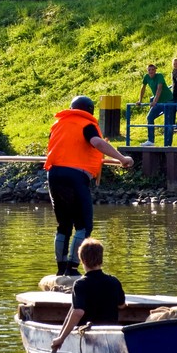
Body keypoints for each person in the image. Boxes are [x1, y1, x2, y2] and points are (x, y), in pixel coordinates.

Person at [44, 96, 134, 276]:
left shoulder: (58, 125)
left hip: (54, 175)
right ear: (90, 111)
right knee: (84, 225)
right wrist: (122, 159)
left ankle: (61, 268)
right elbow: (97, 143)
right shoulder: (87, 124)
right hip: (74, 177)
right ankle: (72, 268)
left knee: (63, 225)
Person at [50, 238, 126, 349]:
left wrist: (61, 338)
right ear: (101, 259)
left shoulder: (80, 284)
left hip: (90, 335)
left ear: (82, 260)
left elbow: (78, 312)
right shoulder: (114, 281)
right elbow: (121, 305)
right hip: (111, 334)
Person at [136, 63, 174, 146]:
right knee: (150, 117)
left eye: (153, 70)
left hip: (168, 101)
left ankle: (167, 145)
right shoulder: (146, 77)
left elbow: (159, 89)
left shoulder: (159, 76)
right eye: (149, 70)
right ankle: (151, 140)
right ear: (147, 71)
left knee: (168, 122)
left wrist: (154, 101)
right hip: (159, 102)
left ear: (155, 70)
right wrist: (140, 100)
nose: (151, 71)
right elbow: (143, 88)